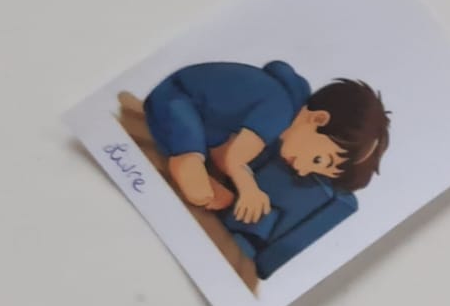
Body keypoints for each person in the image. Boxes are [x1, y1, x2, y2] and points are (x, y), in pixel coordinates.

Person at [143, 61, 389, 222]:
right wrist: (250, 190)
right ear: (318, 119)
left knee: (223, 178)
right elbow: (235, 159)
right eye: (317, 160)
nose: (302, 171)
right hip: (175, 101)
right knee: (198, 175)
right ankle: (187, 160)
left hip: (209, 123)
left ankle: (199, 166)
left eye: (314, 170)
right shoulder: (279, 111)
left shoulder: (288, 110)